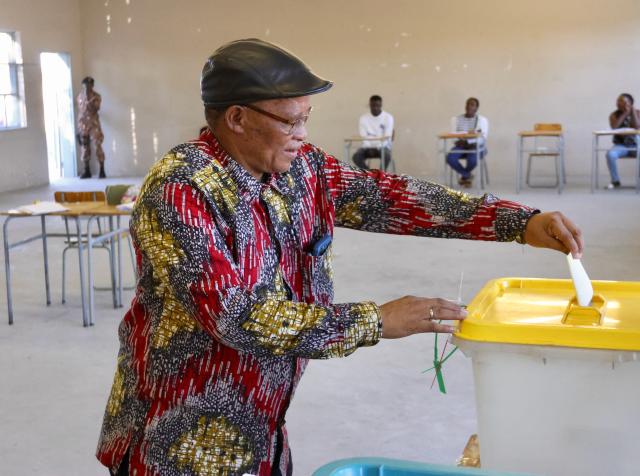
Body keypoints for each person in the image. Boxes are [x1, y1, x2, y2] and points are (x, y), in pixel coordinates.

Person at [96, 39, 583, 476]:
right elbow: (236, 317)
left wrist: (517, 222)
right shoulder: (181, 191)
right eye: (290, 120)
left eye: (307, 118)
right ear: (237, 118)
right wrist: (376, 320)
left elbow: (386, 197)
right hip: (176, 442)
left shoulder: (299, 168)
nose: (303, 134)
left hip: (262, 427)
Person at [446, 97, 489, 188]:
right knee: (450, 158)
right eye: (468, 104)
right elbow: (453, 135)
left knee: (472, 159)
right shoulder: (456, 119)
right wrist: (458, 141)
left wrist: (469, 141)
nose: (469, 106)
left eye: (472, 105)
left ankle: (464, 177)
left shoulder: (482, 120)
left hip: (476, 147)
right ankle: (467, 175)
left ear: (476, 108)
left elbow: (482, 138)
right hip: (461, 146)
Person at [605, 93, 639, 189]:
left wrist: (632, 112)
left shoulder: (638, 112)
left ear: (630, 103)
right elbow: (614, 127)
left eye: (622, 101)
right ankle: (615, 181)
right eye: (618, 101)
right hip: (621, 146)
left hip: (636, 145)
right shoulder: (614, 115)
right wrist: (625, 113)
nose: (618, 103)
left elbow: (637, 127)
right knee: (610, 154)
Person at [352, 95, 394, 170]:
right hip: (367, 147)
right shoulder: (363, 118)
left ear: (381, 105)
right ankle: (370, 175)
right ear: (370, 105)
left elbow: (387, 136)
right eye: (373, 105)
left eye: (377, 105)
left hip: (383, 147)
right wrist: (369, 147)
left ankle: (381, 176)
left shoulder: (388, 117)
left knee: (387, 156)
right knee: (356, 157)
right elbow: (363, 136)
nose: (375, 108)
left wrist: (377, 147)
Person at [77, 76, 106, 178]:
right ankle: (87, 170)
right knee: (84, 147)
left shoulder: (96, 96)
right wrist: (79, 126)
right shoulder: (80, 96)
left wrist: (90, 102)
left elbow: (97, 108)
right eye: (85, 85)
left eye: (89, 85)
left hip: (94, 124)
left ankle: (102, 170)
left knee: (98, 145)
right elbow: (80, 111)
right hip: (83, 125)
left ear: (92, 85)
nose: (87, 87)